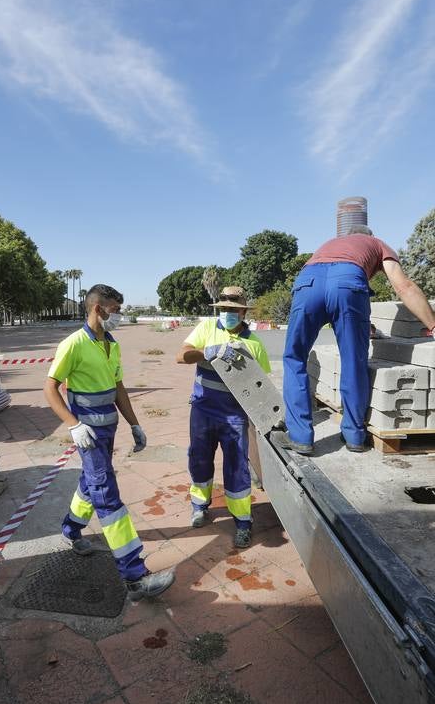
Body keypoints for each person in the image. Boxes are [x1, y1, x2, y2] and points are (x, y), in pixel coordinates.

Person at [44, 283, 175, 600]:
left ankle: (71, 529)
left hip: (108, 430)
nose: (119, 316)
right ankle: (134, 576)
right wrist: (74, 425)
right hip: (87, 433)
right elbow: (50, 389)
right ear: (98, 308)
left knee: (91, 482)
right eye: (115, 311)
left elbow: (118, 388)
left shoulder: (112, 345)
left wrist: (135, 424)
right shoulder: (73, 344)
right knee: (106, 494)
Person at [283, 225, 435, 455]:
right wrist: (433, 324)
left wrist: (364, 324)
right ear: (370, 236)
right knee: (353, 361)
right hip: (348, 283)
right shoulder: (378, 244)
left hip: (307, 282)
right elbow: (403, 286)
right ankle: (354, 436)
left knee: (294, 357)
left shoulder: (329, 245)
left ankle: (300, 437)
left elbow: (326, 287)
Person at [176, 286, 271, 549]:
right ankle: (199, 506)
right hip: (203, 410)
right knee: (199, 459)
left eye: (233, 310)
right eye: (224, 309)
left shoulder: (254, 343)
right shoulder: (207, 329)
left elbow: (261, 384)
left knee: (237, 467)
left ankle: (242, 521)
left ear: (243, 312)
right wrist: (209, 351)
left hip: (234, 416)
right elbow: (181, 356)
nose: (228, 313)